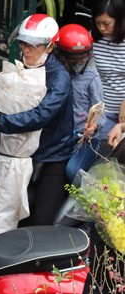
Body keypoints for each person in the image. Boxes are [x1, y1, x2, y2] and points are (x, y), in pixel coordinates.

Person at [0, 13, 74, 227]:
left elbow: (42, 115)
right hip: (20, 155)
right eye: (23, 44)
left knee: (40, 222)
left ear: (49, 46)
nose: (26, 50)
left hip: (51, 156)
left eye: (33, 45)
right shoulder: (23, 69)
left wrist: (0, 122)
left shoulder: (59, 78)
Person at [58, 24, 105, 183]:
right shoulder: (58, 73)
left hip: (86, 139)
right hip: (61, 136)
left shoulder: (93, 79)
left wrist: (93, 127)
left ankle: (93, 199)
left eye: (82, 57)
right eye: (72, 58)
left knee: (72, 171)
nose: (77, 62)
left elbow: (100, 112)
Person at [92, 0, 125, 139]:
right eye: (98, 23)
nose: (101, 28)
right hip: (102, 113)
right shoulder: (92, 40)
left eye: (106, 24)